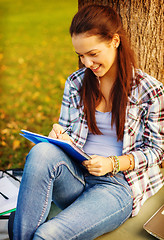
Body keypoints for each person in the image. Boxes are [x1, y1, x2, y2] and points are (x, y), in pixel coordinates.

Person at [12, 4, 164, 240]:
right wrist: (61, 137)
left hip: (116, 186)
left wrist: (112, 163)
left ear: (114, 42)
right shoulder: (76, 83)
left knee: (46, 235)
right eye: (80, 55)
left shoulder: (149, 90)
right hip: (77, 172)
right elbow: (69, 130)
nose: (86, 63)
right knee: (42, 151)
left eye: (93, 54)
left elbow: (157, 150)